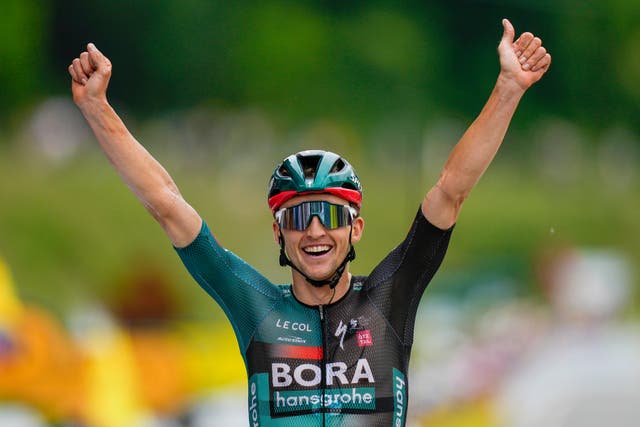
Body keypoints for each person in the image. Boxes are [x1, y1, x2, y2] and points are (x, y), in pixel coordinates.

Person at [68, 18, 550, 427]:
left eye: (331, 215)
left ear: (354, 229)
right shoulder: (253, 306)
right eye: (299, 216)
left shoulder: (390, 297)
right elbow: (167, 204)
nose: (316, 230)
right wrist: (96, 108)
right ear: (279, 233)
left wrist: (508, 89)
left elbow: (451, 189)